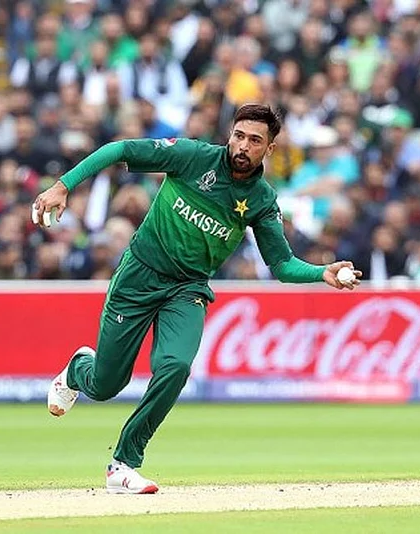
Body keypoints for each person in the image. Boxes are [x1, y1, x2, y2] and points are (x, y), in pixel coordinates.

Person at [32, 104, 362, 494]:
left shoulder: (261, 200)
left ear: (269, 149)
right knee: (105, 386)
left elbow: (282, 265)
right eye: (239, 136)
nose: (243, 146)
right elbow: (119, 149)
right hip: (139, 275)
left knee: (175, 367)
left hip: (187, 288)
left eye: (255, 141)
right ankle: (77, 370)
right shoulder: (192, 156)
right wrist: (63, 185)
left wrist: (321, 273)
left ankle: (123, 463)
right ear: (230, 134)